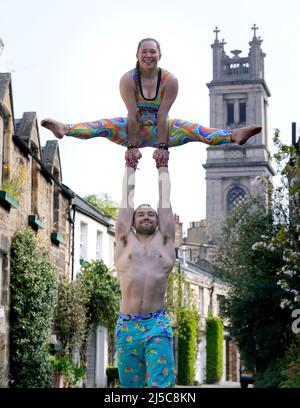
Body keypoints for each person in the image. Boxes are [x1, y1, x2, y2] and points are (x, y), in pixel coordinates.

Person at [41, 38, 262, 149]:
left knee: (195, 130)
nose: (148, 55)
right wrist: (132, 146)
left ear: (159, 55)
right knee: (102, 125)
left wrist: (164, 147)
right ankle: (65, 128)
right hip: (131, 128)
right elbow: (132, 114)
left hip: (162, 128)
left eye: (152, 51)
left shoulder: (169, 80)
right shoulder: (128, 79)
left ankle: (233, 135)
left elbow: (164, 114)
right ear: (137, 55)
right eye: (144, 52)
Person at [113, 147, 176, 388]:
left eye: (151, 214)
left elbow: (165, 200)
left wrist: (162, 166)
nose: (147, 216)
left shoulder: (166, 241)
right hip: (127, 324)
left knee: (161, 387)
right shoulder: (124, 241)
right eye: (141, 214)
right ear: (132, 220)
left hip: (156, 323)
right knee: (131, 389)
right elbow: (126, 201)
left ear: (159, 220)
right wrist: (130, 165)